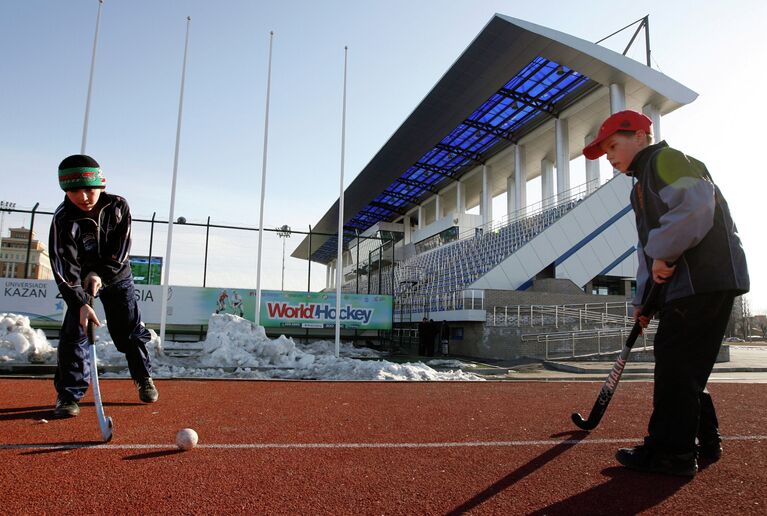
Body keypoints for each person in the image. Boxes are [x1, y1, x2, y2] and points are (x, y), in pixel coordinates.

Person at [583, 110, 749, 477]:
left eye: (613, 145)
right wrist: (643, 302)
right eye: (605, 150)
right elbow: (648, 251)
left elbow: (696, 207)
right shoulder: (640, 184)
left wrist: (663, 253)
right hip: (692, 283)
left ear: (640, 135)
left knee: (676, 364)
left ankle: (671, 453)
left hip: (704, 279)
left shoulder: (666, 159)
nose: (609, 156)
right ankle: (705, 441)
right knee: (684, 366)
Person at [49, 154, 159, 418]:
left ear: (101, 184)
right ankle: (68, 395)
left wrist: (101, 274)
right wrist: (81, 303)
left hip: (117, 275)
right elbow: (63, 266)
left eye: (89, 189)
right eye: (74, 190)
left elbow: (121, 249)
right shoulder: (63, 219)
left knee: (129, 332)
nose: (84, 197)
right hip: (78, 281)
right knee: (74, 334)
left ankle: (143, 377)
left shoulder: (118, 206)